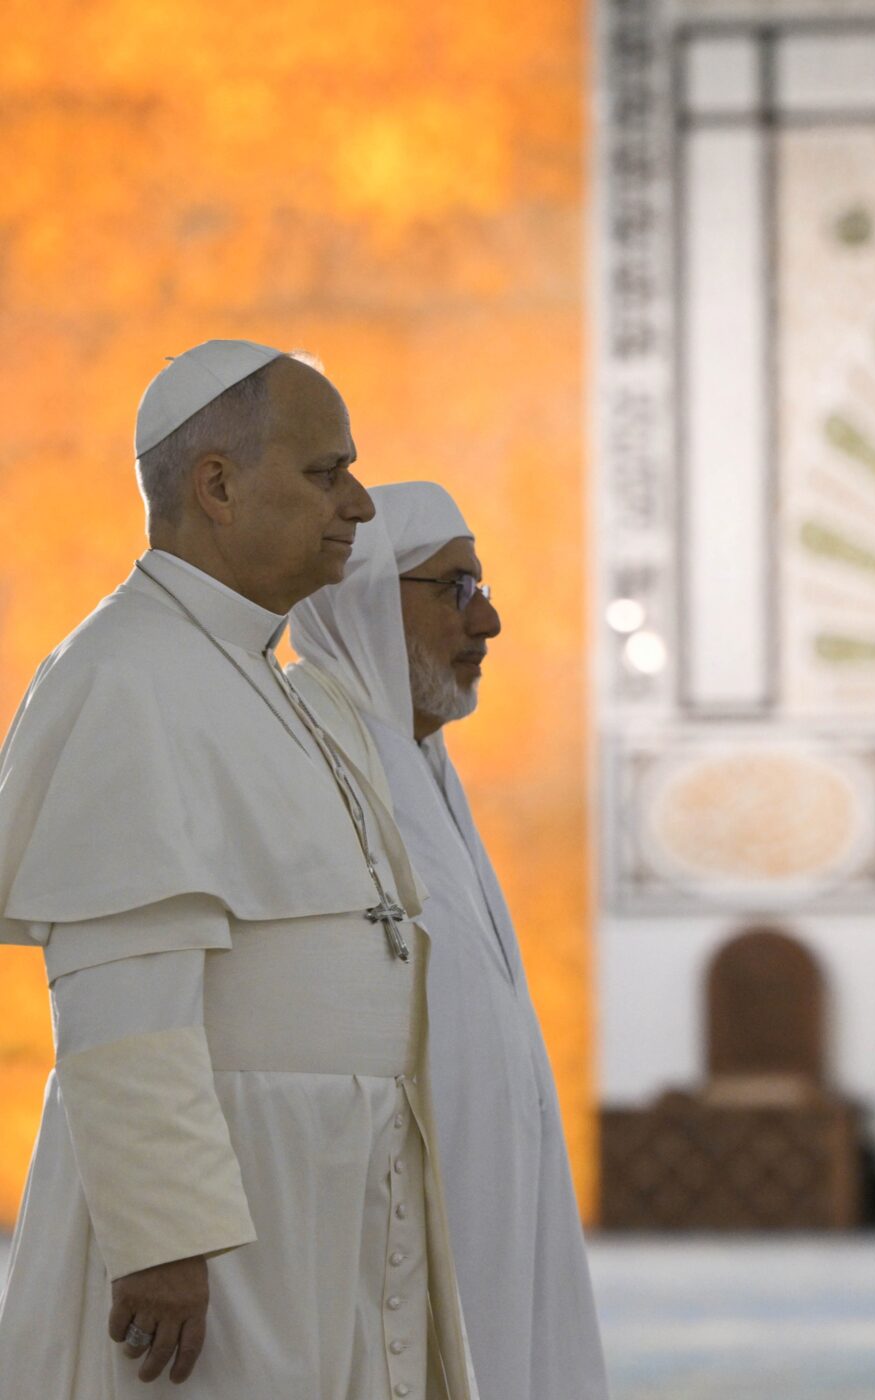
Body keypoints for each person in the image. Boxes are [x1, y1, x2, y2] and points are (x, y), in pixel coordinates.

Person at [0, 343, 475, 1397]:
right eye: (323, 472)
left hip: (319, 1177)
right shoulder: (129, 674)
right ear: (217, 484)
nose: (356, 501)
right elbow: (123, 993)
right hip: (224, 1204)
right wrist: (164, 1233)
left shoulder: (267, 677)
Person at [288, 482, 609, 1400]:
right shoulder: (308, 757)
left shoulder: (422, 765)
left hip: (482, 1187)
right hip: (371, 1214)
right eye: (455, 587)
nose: (491, 620)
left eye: (483, 585)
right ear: (364, 601)